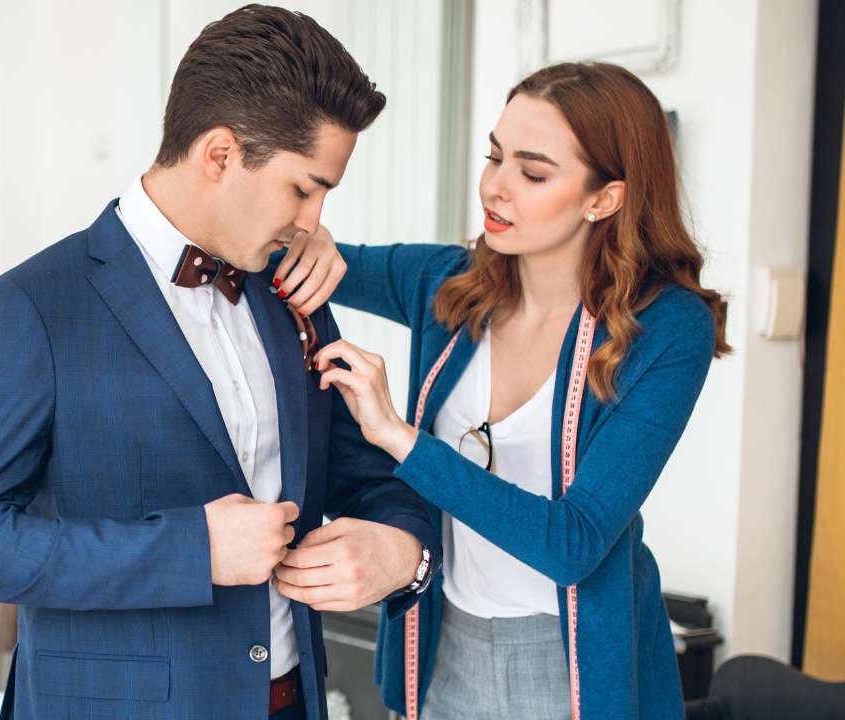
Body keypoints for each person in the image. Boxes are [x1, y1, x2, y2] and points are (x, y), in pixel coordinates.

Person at [0, 6, 439, 719]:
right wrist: (190, 549)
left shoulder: (293, 289)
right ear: (221, 154)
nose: (314, 220)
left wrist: (399, 550)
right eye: (304, 188)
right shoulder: (32, 307)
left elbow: (369, 478)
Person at [272, 62, 730, 719]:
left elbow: (573, 544)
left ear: (605, 198)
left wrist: (400, 438)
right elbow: (298, 251)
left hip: (570, 666)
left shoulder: (666, 329)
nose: (495, 187)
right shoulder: (446, 282)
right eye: (495, 156)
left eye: (533, 172)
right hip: (441, 647)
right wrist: (309, 238)